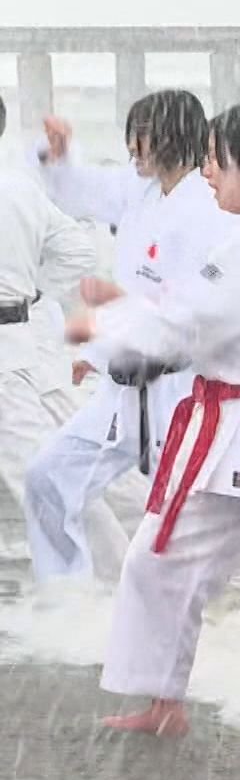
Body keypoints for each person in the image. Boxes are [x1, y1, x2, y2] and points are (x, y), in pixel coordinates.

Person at [65, 101, 240, 737]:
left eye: (217, 159)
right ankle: (163, 701)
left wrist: (106, 331)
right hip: (225, 426)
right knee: (158, 559)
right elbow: (183, 307)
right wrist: (117, 327)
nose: (207, 171)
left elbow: (196, 318)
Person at [23, 90, 233, 582]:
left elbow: (194, 313)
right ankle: (69, 598)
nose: (132, 150)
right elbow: (80, 191)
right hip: (122, 388)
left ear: (171, 138)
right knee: (48, 478)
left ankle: (204, 613)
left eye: (141, 138)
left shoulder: (208, 210)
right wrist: (59, 158)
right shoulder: (140, 190)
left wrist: (113, 321)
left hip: (179, 391)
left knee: (176, 529)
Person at [0, 95, 96, 551]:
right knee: (44, 467)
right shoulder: (19, 188)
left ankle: (92, 580)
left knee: (37, 477)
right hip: (19, 339)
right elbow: (80, 251)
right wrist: (33, 294)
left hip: (13, 348)